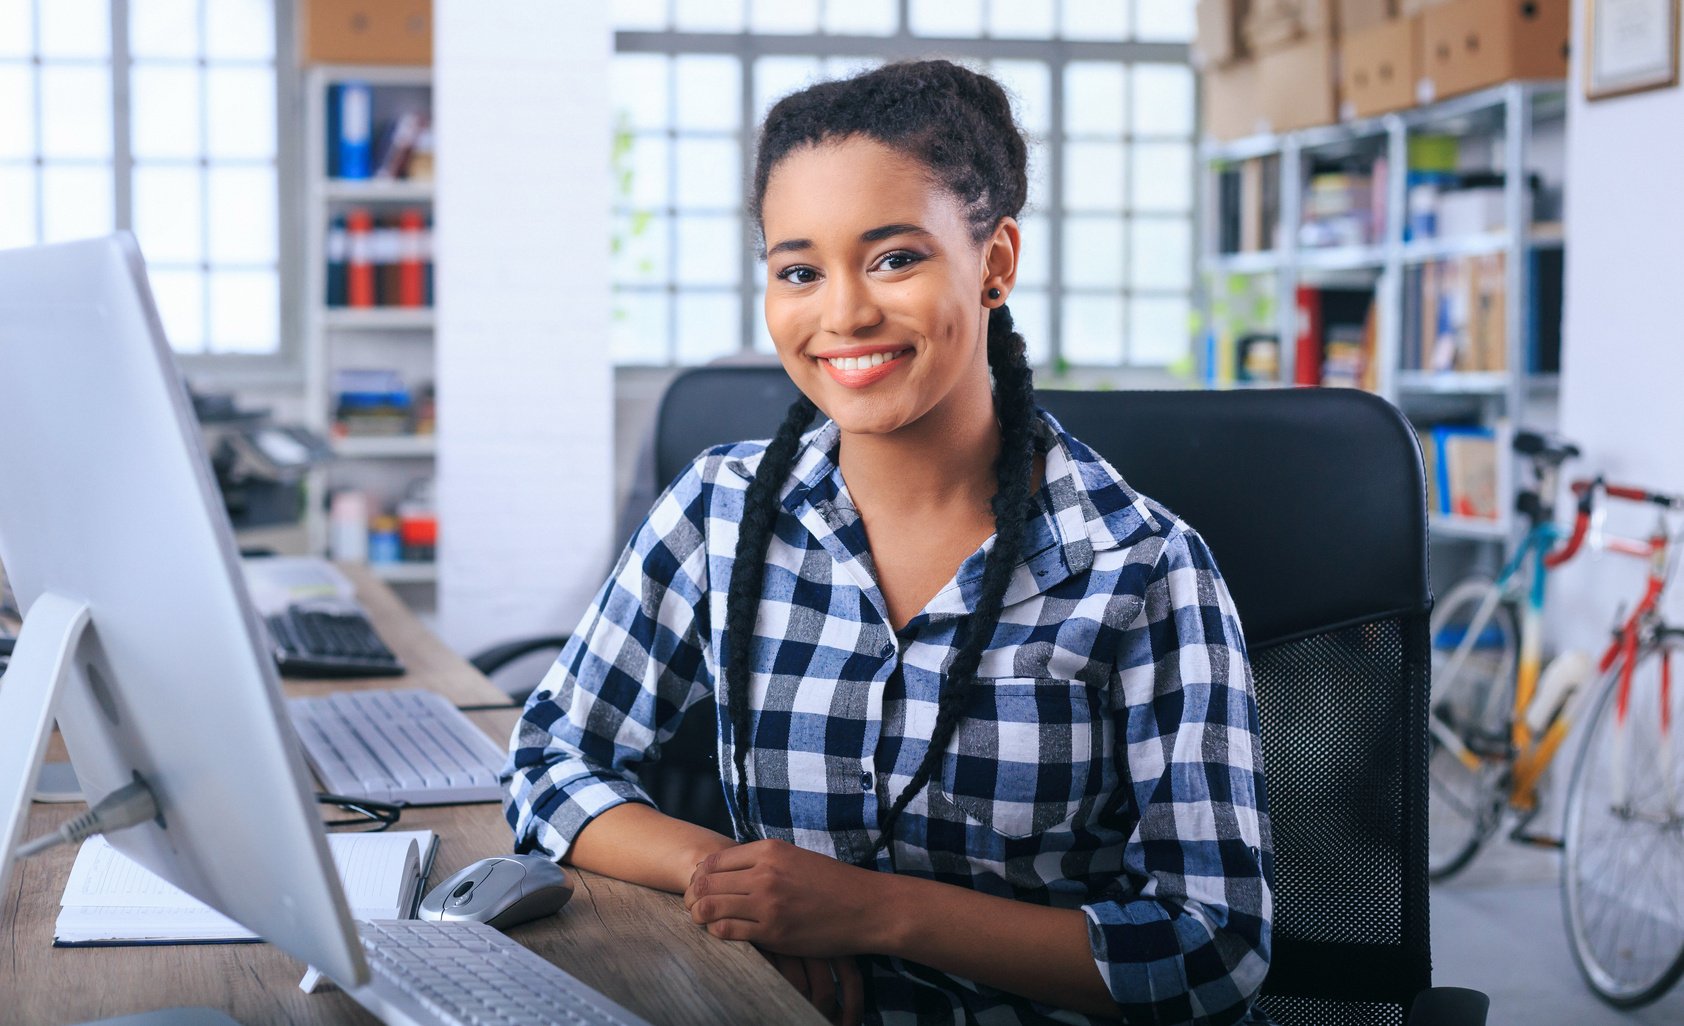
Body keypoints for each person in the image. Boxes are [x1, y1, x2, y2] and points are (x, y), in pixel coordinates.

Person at [505, 59, 1273, 1026]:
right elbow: (548, 758)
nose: (843, 314)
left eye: (894, 258)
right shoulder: (720, 511)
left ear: (995, 263)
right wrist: (737, 883)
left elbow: (1215, 950)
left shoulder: (1143, 569)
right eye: (799, 271)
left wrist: (870, 915)